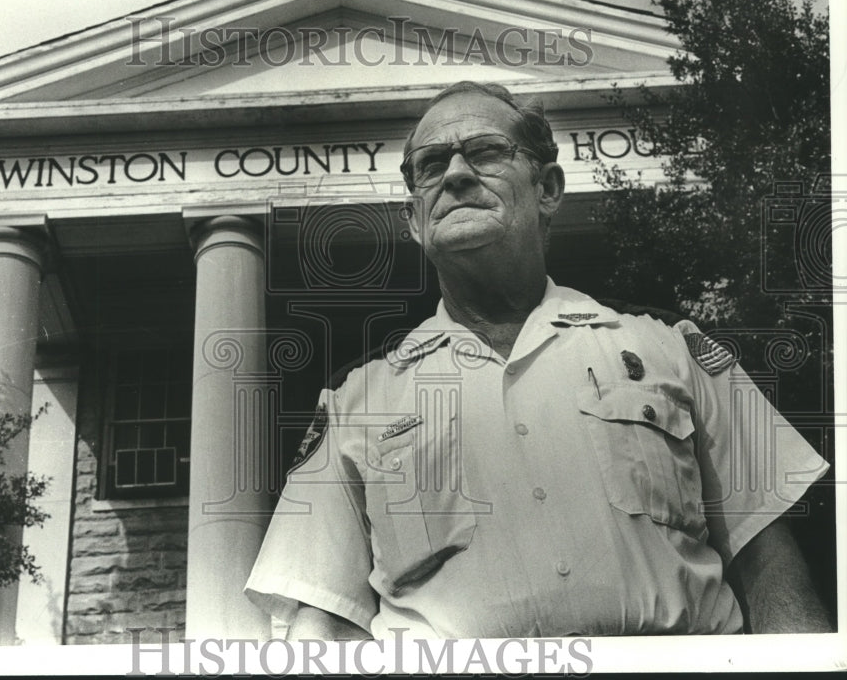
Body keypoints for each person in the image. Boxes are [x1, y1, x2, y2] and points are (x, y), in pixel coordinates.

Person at [244, 80, 831, 639]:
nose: (453, 175)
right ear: (415, 222)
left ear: (547, 188)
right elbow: (327, 619)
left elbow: (766, 553)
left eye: (484, 152)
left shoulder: (670, 347)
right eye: (430, 166)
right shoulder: (356, 400)